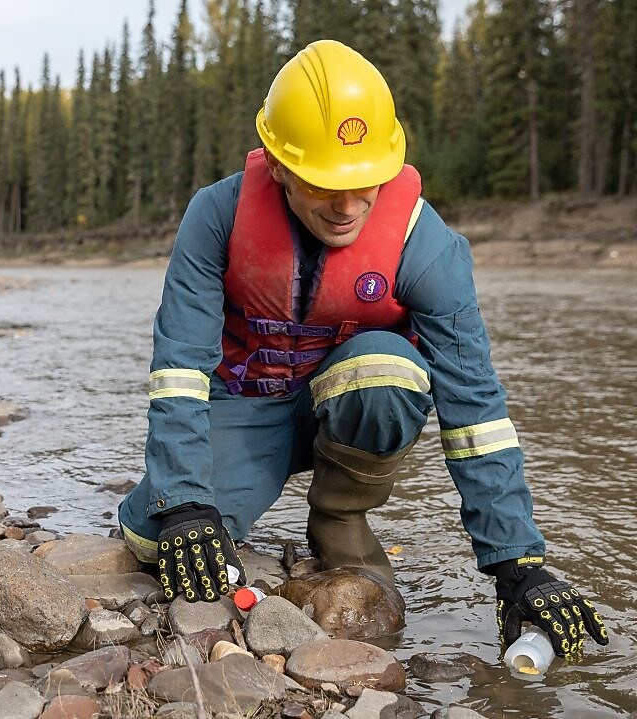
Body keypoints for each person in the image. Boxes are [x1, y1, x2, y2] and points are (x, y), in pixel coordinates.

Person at [118, 39, 609, 659]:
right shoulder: (215, 215)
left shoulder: (427, 247)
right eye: (325, 183)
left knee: (388, 368)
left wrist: (519, 566)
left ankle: (340, 518)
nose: (347, 207)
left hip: (350, 405)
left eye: (364, 181)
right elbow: (179, 371)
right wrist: (185, 500)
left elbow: (476, 412)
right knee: (152, 540)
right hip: (246, 403)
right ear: (279, 166)